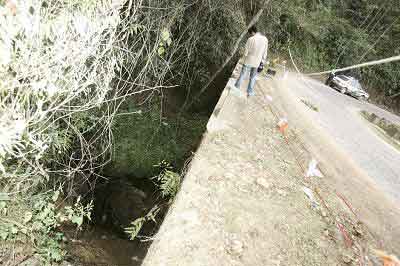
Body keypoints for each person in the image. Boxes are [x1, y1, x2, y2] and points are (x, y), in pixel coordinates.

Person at [232, 25, 268, 97]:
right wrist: (263, 61)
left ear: (252, 32)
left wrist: (243, 58)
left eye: (250, 33)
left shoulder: (250, 39)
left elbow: (246, 52)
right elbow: (265, 52)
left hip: (248, 60)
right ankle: (250, 92)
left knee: (242, 74)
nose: (250, 35)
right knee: (253, 77)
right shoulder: (265, 39)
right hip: (257, 61)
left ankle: (236, 87)